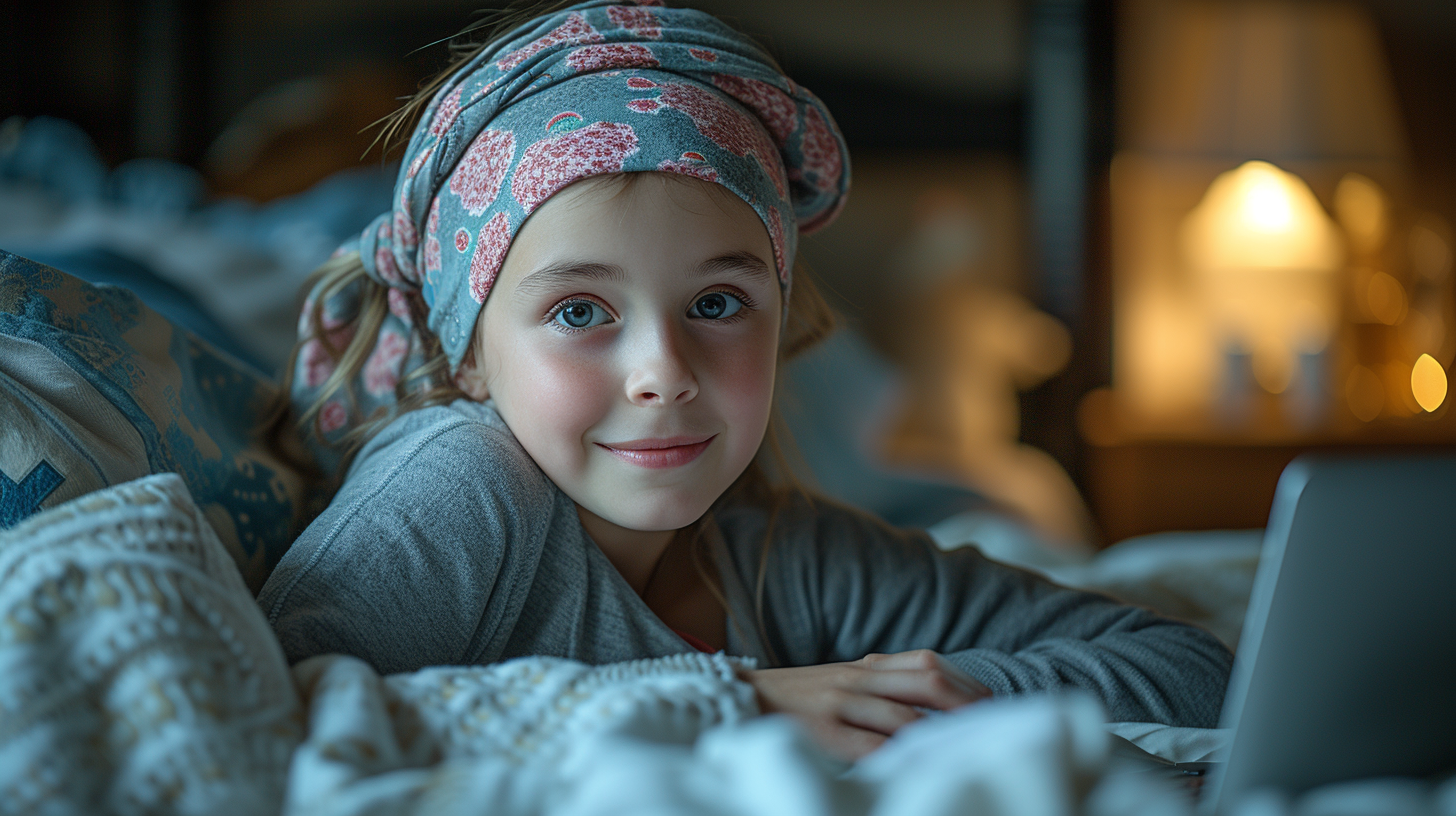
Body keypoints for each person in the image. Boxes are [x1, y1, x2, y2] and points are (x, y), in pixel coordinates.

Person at [259, 0, 1232, 761]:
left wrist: (920, 696)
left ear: (779, 316)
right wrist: (736, 704)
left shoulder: (781, 561)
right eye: (579, 313)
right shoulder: (459, 482)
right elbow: (281, 710)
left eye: (717, 305)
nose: (663, 375)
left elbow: (1189, 671)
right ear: (465, 351)